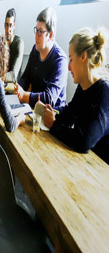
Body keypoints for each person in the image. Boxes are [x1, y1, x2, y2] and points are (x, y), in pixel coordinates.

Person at [43, 28, 109, 163]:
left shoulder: (104, 92)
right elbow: (69, 114)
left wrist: (54, 125)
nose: (68, 67)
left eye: (71, 59)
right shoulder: (83, 86)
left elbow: (83, 141)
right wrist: (50, 112)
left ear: (83, 57)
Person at [16, 7, 67, 108]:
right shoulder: (35, 50)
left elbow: (49, 98)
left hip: (52, 114)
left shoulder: (60, 60)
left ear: (50, 35)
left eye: (40, 31)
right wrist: (17, 90)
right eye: (36, 30)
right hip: (34, 109)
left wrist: (23, 95)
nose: (36, 35)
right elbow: (25, 78)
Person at [4, 8, 24, 83]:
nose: (8, 29)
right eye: (7, 25)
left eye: (10, 25)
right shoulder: (2, 43)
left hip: (13, 87)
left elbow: (13, 75)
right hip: (1, 85)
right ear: (4, 25)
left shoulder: (19, 43)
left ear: (14, 25)